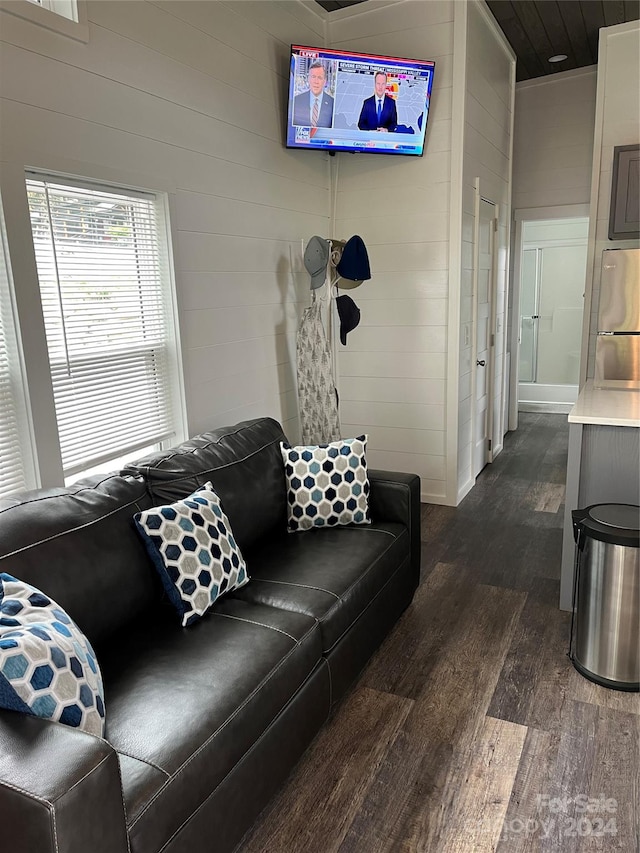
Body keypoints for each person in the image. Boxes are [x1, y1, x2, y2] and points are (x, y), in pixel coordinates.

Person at [292, 62, 334, 128]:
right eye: (313, 77)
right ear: (308, 79)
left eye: (319, 78)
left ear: (325, 81)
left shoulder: (332, 103)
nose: (316, 82)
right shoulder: (297, 101)